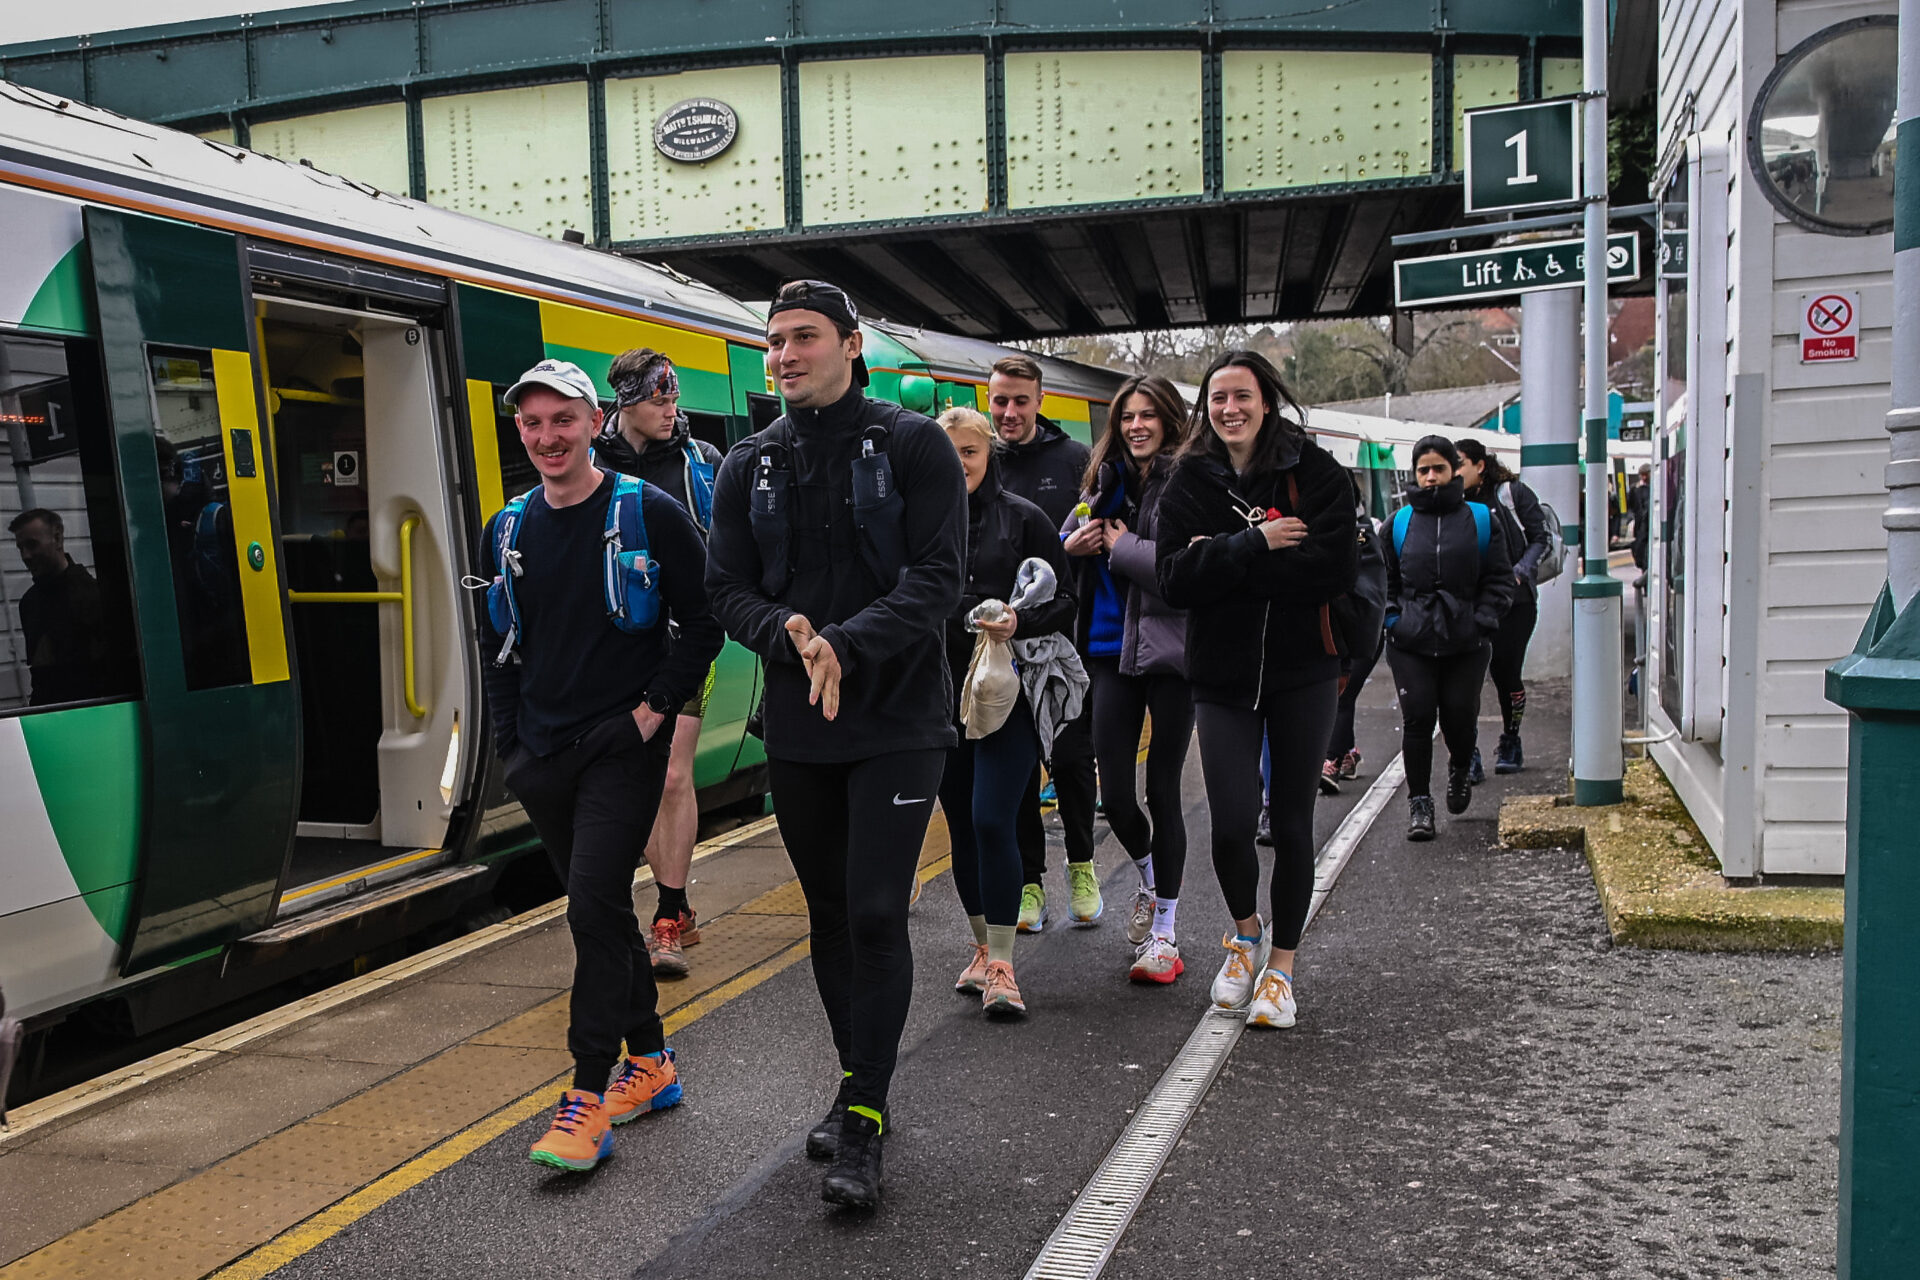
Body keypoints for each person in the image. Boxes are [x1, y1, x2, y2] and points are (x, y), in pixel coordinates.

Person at [705, 279, 966, 1209]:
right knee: (824, 916)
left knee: (871, 913)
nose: (784, 355)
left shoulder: (913, 444)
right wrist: (790, 636)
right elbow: (724, 587)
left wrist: (845, 646)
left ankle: (864, 1119)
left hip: (898, 723)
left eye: (804, 338)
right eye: (774, 341)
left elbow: (940, 578)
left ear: (852, 346)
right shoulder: (749, 463)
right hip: (800, 729)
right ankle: (859, 1081)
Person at [477, 358, 724, 1173]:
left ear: (592, 423)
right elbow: (497, 648)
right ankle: (651, 1063)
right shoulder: (507, 528)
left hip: (622, 749)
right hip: (541, 756)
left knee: (588, 910)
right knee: (608, 914)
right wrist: (510, 744)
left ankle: (586, 1097)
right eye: (533, 424)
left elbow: (704, 619)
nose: (548, 437)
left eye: (562, 421)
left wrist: (652, 712)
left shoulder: (647, 511)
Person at [1155, 351, 1357, 1030]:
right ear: (1205, 408)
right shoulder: (1189, 478)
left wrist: (1225, 559)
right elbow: (1175, 579)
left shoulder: (1316, 472)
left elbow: (1330, 570)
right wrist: (1257, 544)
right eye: (1217, 399)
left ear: (1266, 400)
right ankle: (1245, 935)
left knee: (1293, 824)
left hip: (1306, 672)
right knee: (1233, 822)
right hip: (1221, 677)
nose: (1229, 409)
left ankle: (1283, 970)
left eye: (1242, 396)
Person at [937, 407, 1075, 1017]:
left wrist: (1021, 620)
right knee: (962, 826)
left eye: (970, 451)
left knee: (993, 818)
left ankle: (1003, 966)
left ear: (989, 453)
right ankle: (981, 948)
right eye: (948, 453)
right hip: (937, 697)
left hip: (1006, 694)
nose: (959, 463)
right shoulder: (916, 523)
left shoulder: (1025, 519)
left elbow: (1066, 598)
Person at [1059, 375, 1194, 983]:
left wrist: (1119, 546)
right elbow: (1067, 534)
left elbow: (1184, 571)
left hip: (1172, 655)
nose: (1137, 426)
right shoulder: (1102, 478)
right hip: (1110, 650)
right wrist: (1079, 542)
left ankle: (1165, 929)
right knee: (1114, 794)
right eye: (1127, 417)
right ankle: (1149, 880)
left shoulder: (1194, 479)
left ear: (1169, 419)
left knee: (1163, 789)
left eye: (1148, 415)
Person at [596, 347, 727, 976]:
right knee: (636, 781)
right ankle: (664, 904)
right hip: (609, 649)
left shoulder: (703, 465)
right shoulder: (590, 465)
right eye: (658, 399)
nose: (671, 410)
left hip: (682, 643)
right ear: (625, 404)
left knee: (672, 775)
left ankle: (670, 913)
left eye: (674, 397)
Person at [986, 354, 1101, 932]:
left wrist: (1077, 548)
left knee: (1074, 762)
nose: (1009, 413)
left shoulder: (1074, 460)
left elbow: (1099, 526)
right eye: (1000, 400)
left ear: (1039, 401)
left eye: (1020, 401)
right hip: (999, 649)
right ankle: (1030, 882)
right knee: (1018, 768)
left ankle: (1081, 863)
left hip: (1062, 639)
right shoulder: (981, 461)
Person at [1382, 436, 1514, 841]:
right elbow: (1382, 581)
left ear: (1455, 469)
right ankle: (1419, 803)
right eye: (1423, 470)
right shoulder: (1398, 523)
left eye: (1439, 468)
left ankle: (1459, 766)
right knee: (1418, 717)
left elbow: (1500, 578)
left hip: (1466, 641)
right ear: (1414, 474)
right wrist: (1393, 620)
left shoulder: (1481, 519)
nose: (1431, 477)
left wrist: (1482, 620)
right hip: (1411, 640)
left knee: (1459, 714)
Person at [1456, 437, 1552, 776]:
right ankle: (1467, 753)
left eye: (1460, 464)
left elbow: (1541, 537)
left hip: (1515, 603)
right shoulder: (1454, 502)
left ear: (1480, 466)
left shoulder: (1511, 494)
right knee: (1466, 680)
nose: (1453, 472)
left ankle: (1511, 739)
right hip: (1469, 604)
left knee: (1506, 674)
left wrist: (1519, 572)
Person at [1320, 480, 1389, 794]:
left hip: (1361, 633)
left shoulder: (1365, 532)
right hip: (1333, 631)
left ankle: (1330, 760)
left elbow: (1373, 589)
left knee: (1342, 695)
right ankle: (1347, 753)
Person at [8, 508, 110, 706]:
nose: (25, 556)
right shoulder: (29, 602)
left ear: (57, 538)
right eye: (20, 548)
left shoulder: (92, 596)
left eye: (31, 545)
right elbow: (39, 677)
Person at [1628, 462, 1652, 571]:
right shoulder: (1635, 489)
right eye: (1642, 475)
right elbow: (1630, 506)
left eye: (1646, 474)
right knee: (1640, 551)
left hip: (1650, 525)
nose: (1644, 477)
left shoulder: (1656, 487)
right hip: (1639, 527)